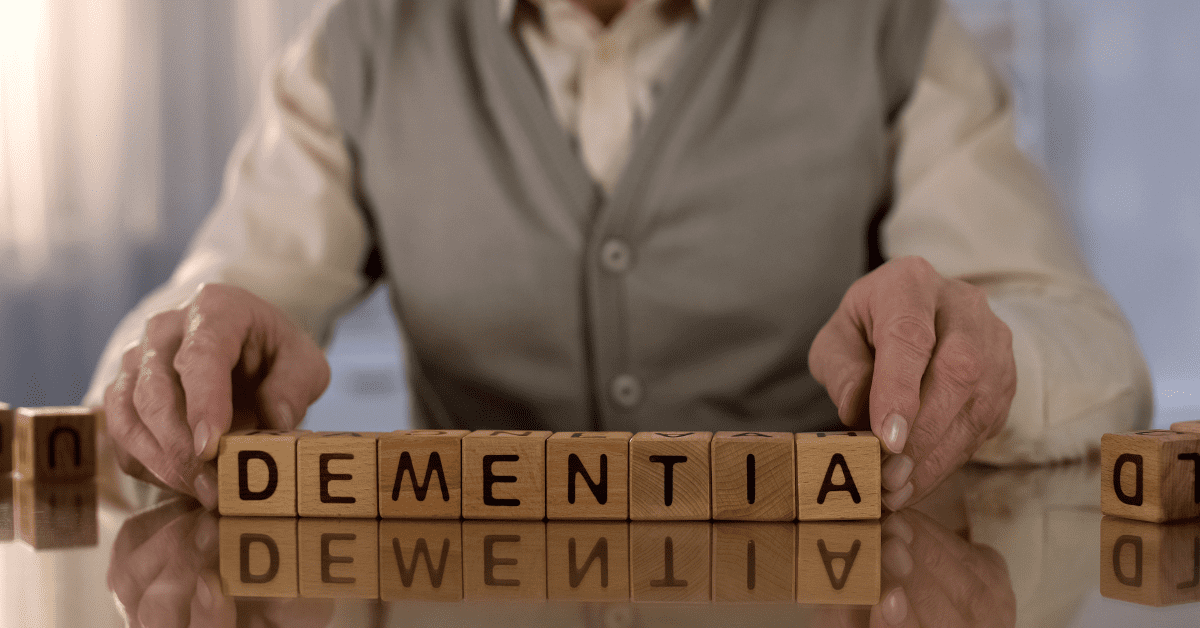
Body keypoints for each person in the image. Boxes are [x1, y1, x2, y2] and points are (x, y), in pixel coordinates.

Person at [83, 0, 1152, 513]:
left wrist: (990, 360)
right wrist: (175, 367)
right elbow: (193, 310)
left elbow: (1093, 354)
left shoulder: (887, 27)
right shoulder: (360, 41)